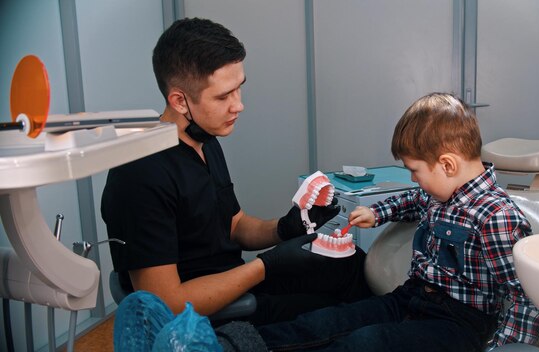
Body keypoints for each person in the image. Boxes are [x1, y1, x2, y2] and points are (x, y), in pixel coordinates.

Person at [101, 17, 371, 327]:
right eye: (223, 96)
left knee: (351, 265)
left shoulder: (203, 139)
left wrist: (285, 228)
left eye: (238, 90)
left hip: (233, 285)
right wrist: (267, 265)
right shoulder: (140, 174)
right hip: (207, 320)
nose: (238, 106)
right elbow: (167, 304)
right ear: (180, 101)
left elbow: (233, 225)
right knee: (349, 317)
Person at [250, 92, 539, 351]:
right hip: (411, 297)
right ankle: (234, 344)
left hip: (458, 324)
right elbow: (412, 200)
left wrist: (501, 350)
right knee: (323, 323)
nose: (413, 179)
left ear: (447, 164)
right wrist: (376, 212)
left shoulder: (497, 217)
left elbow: (527, 299)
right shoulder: (440, 194)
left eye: (415, 171)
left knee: (361, 344)